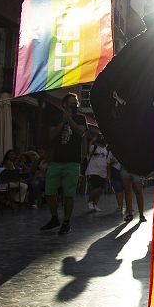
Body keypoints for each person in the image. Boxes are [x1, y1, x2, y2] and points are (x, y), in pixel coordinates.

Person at [40, 93, 88, 235]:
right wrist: (63, 122)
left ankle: (66, 222)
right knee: (49, 192)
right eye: (71, 103)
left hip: (72, 162)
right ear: (64, 104)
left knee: (69, 194)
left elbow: (81, 132)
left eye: (76, 103)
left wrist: (70, 121)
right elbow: (51, 135)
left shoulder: (81, 118)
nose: (74, 105)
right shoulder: (56, 117)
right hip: (56, 161)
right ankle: (54, 217)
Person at [85, 134, 110, 213]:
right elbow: (88, 150)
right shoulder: (94, 147)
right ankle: (90, 201)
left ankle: (95, 205)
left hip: (103, 172)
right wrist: (92, 140)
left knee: (100, 190)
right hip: (94, 171)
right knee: (97, 187)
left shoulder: (105, 150)